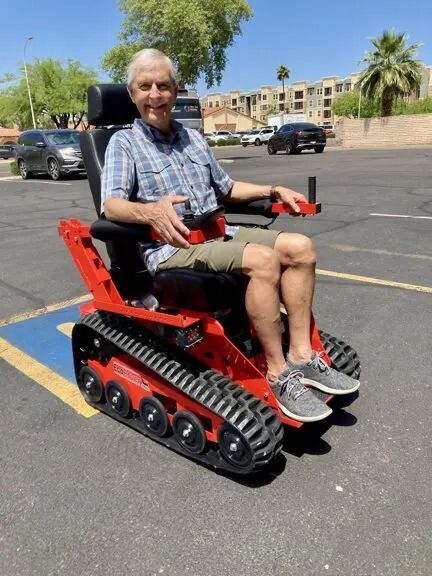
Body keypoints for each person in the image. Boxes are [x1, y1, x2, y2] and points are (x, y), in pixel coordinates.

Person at [101, 48, 360, 423]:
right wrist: (151, 211)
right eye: (145, 86)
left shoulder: (192, 138)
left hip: (218, 234)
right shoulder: (124, 144)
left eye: (163, 85)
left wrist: (272, 190)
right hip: (173, 247)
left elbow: (226, 187)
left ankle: (302, 356)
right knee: (262, 259)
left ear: (175, 91)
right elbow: (111, 206)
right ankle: (277, 373)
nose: (155, 94)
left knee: (300, 248)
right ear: (132, 93)